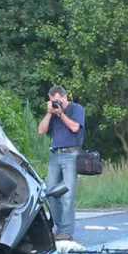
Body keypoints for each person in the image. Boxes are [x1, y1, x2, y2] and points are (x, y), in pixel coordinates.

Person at [38, 85, 85, 241]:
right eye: (53, 101)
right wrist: (50, 113)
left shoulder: (76, 109)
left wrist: (61, 114)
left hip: (71, 154)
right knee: (50, 192)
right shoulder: (52, 113)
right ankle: (58, 228)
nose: (57, 103)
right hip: (55, 154)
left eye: (59, 100)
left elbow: (75, 127)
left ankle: (66, 232)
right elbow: (41, 131)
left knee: (67, 194)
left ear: (65, 97)